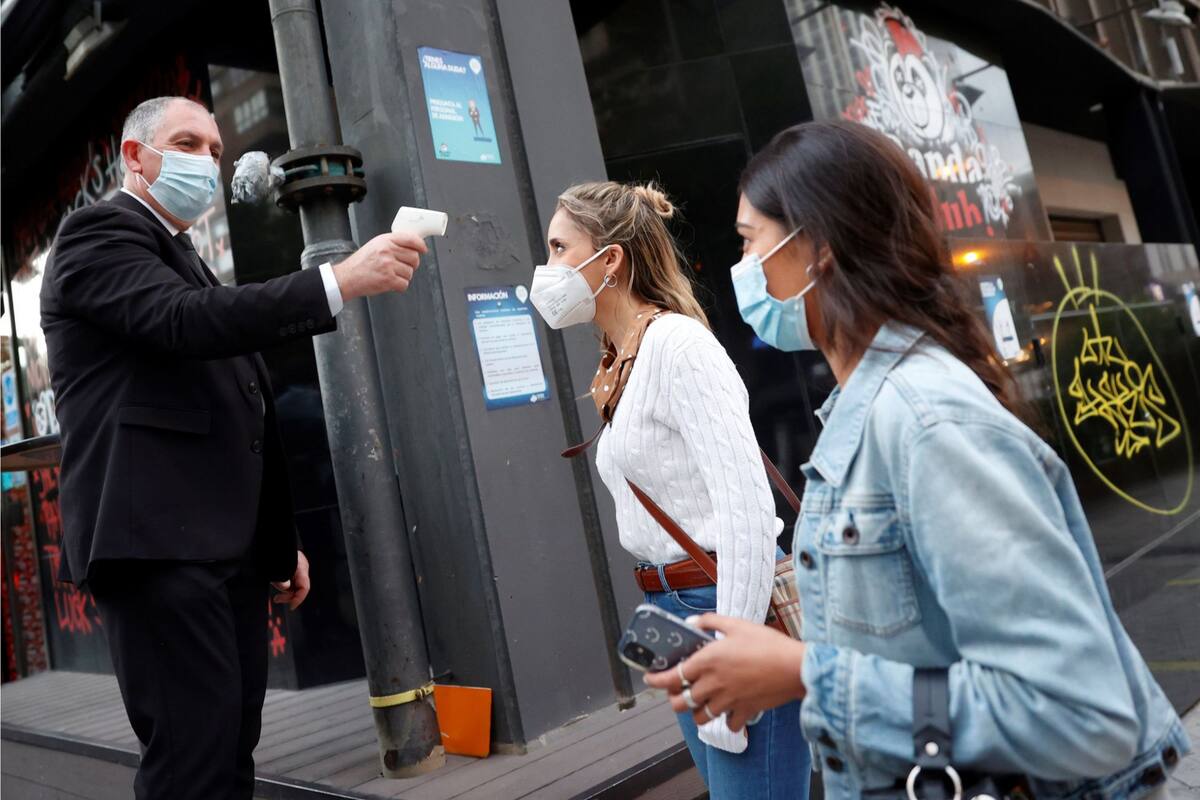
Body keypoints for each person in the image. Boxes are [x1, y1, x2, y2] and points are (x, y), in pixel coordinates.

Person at [646, 120, 1190, 799]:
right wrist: (790, 672)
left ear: (817, 249)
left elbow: (1079, 710)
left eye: (749, 241)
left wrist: (807, 675)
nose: (743, 268)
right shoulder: (868, 410)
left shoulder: (928, 421)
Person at [39, 95, 427, 799]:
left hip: (223, 551)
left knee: (229, 749)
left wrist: (275, 545)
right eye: (188, 143)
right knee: (193, 760)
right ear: (135, 156)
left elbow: (237, 404)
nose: (207, 162)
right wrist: (338, 278)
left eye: (216, 151)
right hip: (155, 548)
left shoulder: (180, 254)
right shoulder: (98, 234)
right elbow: (186, 322)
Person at [530, 181, 811, 799]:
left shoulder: (679, 346)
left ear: (610, 259)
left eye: (558, 247)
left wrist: (732, 647)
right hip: (672, 609)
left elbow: (746, 512)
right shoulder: (620, 356)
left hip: (723, 602)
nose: (546, 267)